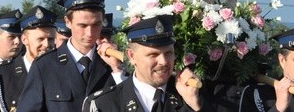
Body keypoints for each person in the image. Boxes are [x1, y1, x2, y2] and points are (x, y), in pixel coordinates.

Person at [17, 0, 120, 112]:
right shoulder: (45, 66)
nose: (90, 33)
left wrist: (117, 69)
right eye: (82, 25)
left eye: (96, 25)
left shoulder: (113, 64)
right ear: (67, 22)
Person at [82, 15, 210, 112]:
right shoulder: (103, 104)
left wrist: (194, 105)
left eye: (168, 53)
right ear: (131, 56)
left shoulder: (194, 95)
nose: (163, 62)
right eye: (153, 55)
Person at [0, 5, 57, 111]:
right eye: (40, 39)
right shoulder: (1, 74)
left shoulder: (62, 72)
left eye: (51, 39)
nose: (46, 44)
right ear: (24, 40)